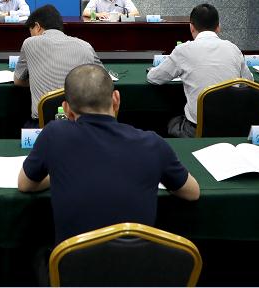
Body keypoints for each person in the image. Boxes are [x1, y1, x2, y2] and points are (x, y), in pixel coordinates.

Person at [18, 64, 200, 245]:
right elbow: (192, 192)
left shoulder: (53, 134)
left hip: (72, 262)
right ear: (116, 99)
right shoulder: (153, 144)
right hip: (137, 263)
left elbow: (25, 184)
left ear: (66, 109)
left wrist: (58, 172)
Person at [147, 3, 252, 137]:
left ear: (191, 27)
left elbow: (154, 78)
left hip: (197, 131)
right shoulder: (233, 48)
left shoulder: (183, 50)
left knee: (171, 121)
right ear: (218, 27)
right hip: (233, 129)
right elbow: (249, 82)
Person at [14, 5, 101, 124]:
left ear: (38, 27)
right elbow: (103, 79)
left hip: (43, 124)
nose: (31, 36)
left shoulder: (29, 43)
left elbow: (18, 81)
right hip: (81, 122)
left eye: (31, 32)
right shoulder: (86, 46)